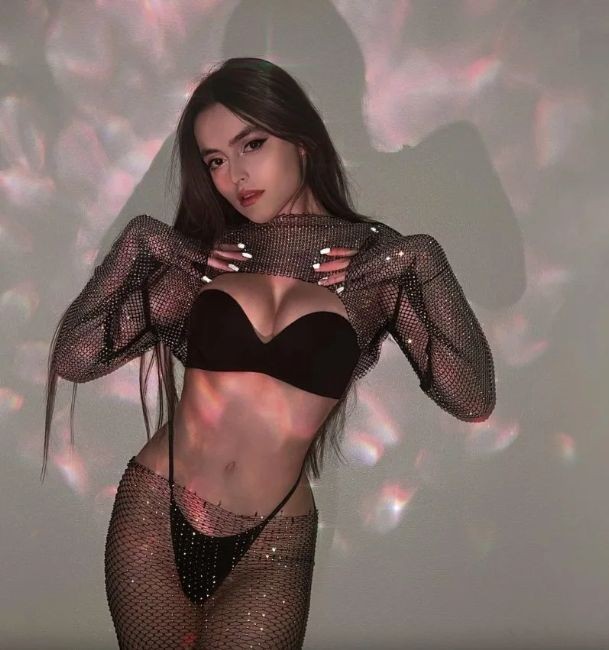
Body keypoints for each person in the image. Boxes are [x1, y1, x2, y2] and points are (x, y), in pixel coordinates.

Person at [43, 57, 496, 649]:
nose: (234, 175)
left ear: (302, 141)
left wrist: (424, 260)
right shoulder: (205, 259)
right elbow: (74, 358)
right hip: (154, 512)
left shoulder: (374, 266)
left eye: (251, 145)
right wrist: (141, 242)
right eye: (215, 160)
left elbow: (472, 399)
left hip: (274, 544)